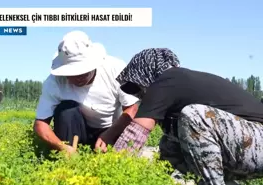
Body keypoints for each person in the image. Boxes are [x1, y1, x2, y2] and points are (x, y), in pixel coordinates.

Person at [111, 48, 263, 185]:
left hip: (258, 139)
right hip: (249, 148)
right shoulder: (178, 84)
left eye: (137, 86)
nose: (140, 93)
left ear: (146, 74)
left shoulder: (167, 79)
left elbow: (135, 134)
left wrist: (112, 170)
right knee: (169, 142)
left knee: (194, 116)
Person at [33, 30, 139, 155]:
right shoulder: (54, 82)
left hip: (110, 128)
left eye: (83, 72)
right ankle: (69, 160)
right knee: (67, 110)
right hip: (76, 130)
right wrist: (61, 147)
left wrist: (108, 135)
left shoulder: (115, 68)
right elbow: (40, 124)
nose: (78, 77)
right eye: (72, 73)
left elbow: (131, 108)